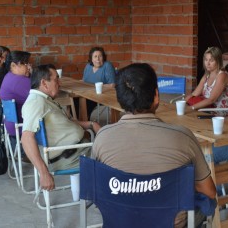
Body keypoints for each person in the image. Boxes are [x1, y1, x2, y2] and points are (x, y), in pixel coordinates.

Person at [92, 63, 217, 227]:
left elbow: (97, 195)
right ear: (156, 95)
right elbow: (209, 191)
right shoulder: (183, 137)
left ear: (120, 99)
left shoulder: (102, 138)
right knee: (209, 204)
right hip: (172, 224)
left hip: (120, 222)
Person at [21, 64, 100, 200]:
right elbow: (26, 138)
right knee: (113, 155)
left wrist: (91, 124)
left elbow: (68, 121)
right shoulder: (35, 103)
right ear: (44, 83)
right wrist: (43, 173)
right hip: (71, 156)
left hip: (76, 150)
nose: (59, 83)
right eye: (56, 79)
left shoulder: (44, 100)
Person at [0, 51, 32, 161]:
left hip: (12, 124)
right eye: (25, 64)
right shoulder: (19, 80)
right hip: (22, 126)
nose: (28, 66)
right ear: (13, 65)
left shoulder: (9, 76)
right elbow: (41, 94)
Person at [185, 46, 228, 116]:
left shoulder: (222, 75)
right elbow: (194, 94)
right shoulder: (207, 75)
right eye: (206, 60)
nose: (208, 63)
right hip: (207, 108)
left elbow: (211, 100)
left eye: (211, 60)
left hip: (218, 113)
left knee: (190, 113)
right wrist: (181, 103)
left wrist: (191, 108)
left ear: (218, 61)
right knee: (190, 103)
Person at [82, 47, 116, 120]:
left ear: (103, 57)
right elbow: (83, 81)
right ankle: (77, 121)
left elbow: (112, 85)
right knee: (75, 100)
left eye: (100, 56)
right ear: (91, 59)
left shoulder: (107, 66)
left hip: (102, 96)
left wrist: (98, 87)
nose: (98, 59)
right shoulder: (88, 66)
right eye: (95, 56)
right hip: (88, 94)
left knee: (84, 102)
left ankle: (85, 122)